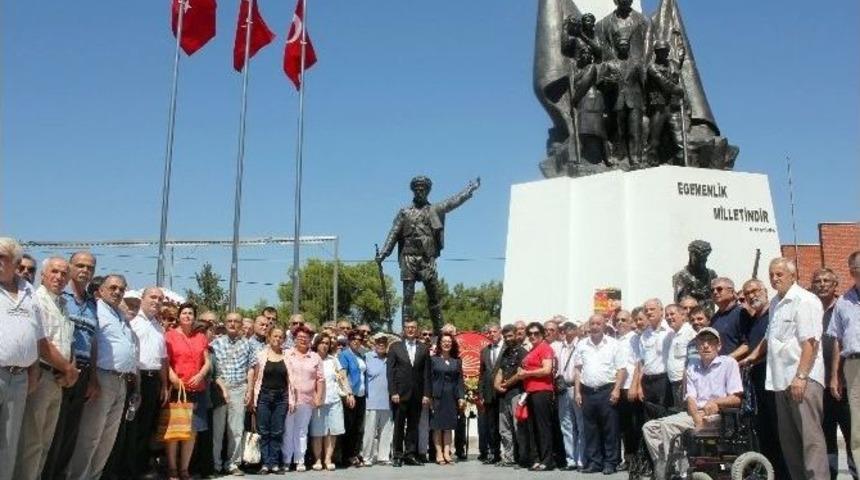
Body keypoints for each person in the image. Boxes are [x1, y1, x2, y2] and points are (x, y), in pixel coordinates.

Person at [744, 258, 829, 479]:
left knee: (811, 442)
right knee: (790, 444)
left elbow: (810, 342)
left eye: (780, 274)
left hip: (803, 380)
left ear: (793, 276)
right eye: (772, 275)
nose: (774, 279)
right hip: (780, 382)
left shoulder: (805, 300)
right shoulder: (775, 303)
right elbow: (770, 337)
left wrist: (801, 376)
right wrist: (752, 357)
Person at [375, 176, 480, 333]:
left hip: (427, 259)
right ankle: (406, 331)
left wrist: (469, 190)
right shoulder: (404, 213)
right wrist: (384, 253)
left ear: (428, 191)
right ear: (413, 191)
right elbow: (394, 233)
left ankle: (439, 331)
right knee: (408, 298)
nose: (420, 191)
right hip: (408, 257)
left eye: (423, 189)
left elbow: (453, 202)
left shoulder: (434, 210)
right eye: (417, 189)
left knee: (433, 296)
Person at [642, 327, 743, 480]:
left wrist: (716, 401)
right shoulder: (693, 366)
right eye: (702, 342)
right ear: (697, 347)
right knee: (649, 428)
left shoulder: (728, 363)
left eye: (711, 342)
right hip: (695, 413)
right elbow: (691, 398)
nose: (706, 346)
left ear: (719, 346)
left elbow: (736, 398)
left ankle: (677, 473)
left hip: (719, 414)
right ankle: (667, 466)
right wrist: (696, 419)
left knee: (667, 426)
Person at [66, 274, 137, 480]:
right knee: (90, 436)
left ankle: (94, 476)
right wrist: (93, 378)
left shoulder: (119, 315)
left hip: (121, 381)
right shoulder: (96, 310)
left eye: (121, 289)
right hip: (102, 378)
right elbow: (92, 344)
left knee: (108, 438)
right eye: (113, 288)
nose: (117, 292)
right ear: (101, 290)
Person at [12, 257, 73, 480]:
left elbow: (66, 340)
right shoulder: (36, 300)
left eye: (64, 273)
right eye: (54, 272)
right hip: (42, 376)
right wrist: (68, 369)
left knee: (45, 442)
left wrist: (69, 368)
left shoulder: (62, 304)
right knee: (31, 442)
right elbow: (43, 344)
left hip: (58, 379)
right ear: (43, 275)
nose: (59, 277)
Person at [43, 251, 98, 480]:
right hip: (60, 370)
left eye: (90, 267)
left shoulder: (93, 303)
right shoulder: (59, 295)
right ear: (71, 267)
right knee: (51, 432)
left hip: (83, 373)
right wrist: (68, 368)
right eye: (80, 265)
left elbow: (93, 342)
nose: (85, 270)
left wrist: (92, 377)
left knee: (70, 432)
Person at [813, 267, 857, 479]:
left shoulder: (844, 306)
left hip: (844, 382)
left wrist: (836, 375)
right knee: (826, 436)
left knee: (852, 433)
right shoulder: (810, 309)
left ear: (835, 284)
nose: (821, 284)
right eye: (817, 281)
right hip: (818, 385)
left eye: (826, 281)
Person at [162, 303, 211, 480]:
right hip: (178, 388)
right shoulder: (169, 336)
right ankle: (172, 468)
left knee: (192, 431)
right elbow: (165, 360)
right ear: (179, 316)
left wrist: (201, 374)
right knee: (175, 430)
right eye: (184, 313)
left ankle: (184, 469)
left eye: (191, 313)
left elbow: (207, 361)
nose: (187, 316)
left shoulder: (200, 337)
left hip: (197, 389)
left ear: (194, 317)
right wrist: (172, 377)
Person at [574, 313, 627, 474]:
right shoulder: (582, 345)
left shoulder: (613, 344)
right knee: (590, 429)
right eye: (592, 324)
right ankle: (594, 462)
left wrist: (617, 389)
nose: (595, 326)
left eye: (598, 323)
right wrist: (577, 392)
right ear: (589, 326)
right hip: (587, 392)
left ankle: (610, 462)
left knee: (610, 429)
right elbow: (578, 369)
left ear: (604, 325)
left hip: (607, 391)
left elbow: (621, 369)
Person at [125, 287, 169, 480]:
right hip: (136, 378)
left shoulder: (159, 327)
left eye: (160, 299)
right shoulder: (132, 321)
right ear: (142, 298)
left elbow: (163, 359)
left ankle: (141, 467)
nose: (156, 301)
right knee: (133, 425)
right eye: (152, 297)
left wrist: (165, 385)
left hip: (154, 381)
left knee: (148, 425)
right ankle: (127, 469)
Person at [210, 311, 256, 475]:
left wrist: (249, 390)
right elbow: (213, 370)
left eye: (236, 321)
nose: (232, 324)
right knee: (218, 429)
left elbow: (251, 368)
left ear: (241, 324)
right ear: (225, 322)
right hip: (220, 389)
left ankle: (233, 464)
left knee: (236, 430)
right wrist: (221, 386)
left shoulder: (248, 344)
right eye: (229, 321)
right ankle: (216, 464)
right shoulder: (216, 344)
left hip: (238, 388)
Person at [830, 252, 860, 473]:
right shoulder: (843, 302)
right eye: (855, 268)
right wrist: (835, 375)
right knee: (858, 426)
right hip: (854, 365)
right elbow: (837, 341)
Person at [387, 319, 431, 467]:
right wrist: (393, 391)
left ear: (417, 329)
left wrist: (426, 394)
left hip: (417, 394)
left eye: (413, 327)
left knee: (413, 425)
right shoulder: (395, 347)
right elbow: (390, 372)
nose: (411, 330)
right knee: (399, 425)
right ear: (404, 330)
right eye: (408, 327)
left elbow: (427, 373)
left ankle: (410, 454)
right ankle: (398, 455)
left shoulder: (424, 348)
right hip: (399, 394)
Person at [515, 322, 556, 471]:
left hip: (542, 391)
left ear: (542, 334)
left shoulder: (545, 348)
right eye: (530, 333)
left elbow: (547, 370)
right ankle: (537, 458)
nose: (532, 336)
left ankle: (547, 460)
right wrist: (522, 370)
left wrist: (527, 373)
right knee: (533, 428)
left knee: (543, 427)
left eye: (536, 333)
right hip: (530, 391)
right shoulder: (533, 349)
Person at [284, 326, 323, 471]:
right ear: (294, 339)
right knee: (288, 430)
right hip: (289, 399)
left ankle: (300, 460)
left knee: (302, 430)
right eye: (300, 337)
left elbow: (320, 379)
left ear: (310, 340)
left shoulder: (315, 357)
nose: (303, 340)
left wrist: (319, 397)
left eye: (306, 338)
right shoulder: (287, 354)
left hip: (307, 400)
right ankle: (287, 459)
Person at [251, 326, 289, 474]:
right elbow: (255, 378)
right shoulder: (261, 355)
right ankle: (265, 463)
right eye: (275, 336)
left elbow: (290, 379)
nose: (277, 339)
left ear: (283, 340)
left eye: (280, 337)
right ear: (269, 337)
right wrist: (253, 398)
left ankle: (274, 463)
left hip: (281, 397)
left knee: (277, 431)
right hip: (264, 396)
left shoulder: (287, 356)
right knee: (264, 430)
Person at [309, 333, 349, 471]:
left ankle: (328, 459)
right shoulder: (311, 358)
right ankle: (318, 459)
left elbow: (342, 378)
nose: (325, 345)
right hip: (317, 401)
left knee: (333, 432)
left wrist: (349, 393)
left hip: (334, 400)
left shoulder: (334, 360)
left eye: (327, 343)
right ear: (316, 344)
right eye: (322, 342)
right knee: (318, 432)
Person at [645, 40, 685, 165]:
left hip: (673, 105)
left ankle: (681, 163)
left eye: (665, 51)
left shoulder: (673, 64)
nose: (663, 54)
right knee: (654, 139)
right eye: (660, 51)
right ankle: (651, 161)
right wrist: (677, 89)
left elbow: (676, 77)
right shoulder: (652, 67)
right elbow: (664, 83)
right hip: (659, 105)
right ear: (656, 53)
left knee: (680, 140)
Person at [428, 332, 465, 465]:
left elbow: (460, 380)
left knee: (448, 426)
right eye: (444, 341)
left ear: (452, 344)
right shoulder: (433, 360)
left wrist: (461, 397)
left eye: (449, 341)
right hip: (437, 396)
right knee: (437, 426)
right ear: (439, 344)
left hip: (452, 397)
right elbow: (428, 379)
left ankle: (447, 452)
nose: (446, 343)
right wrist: (428, 396)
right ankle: (438, 453)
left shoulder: (457, 361)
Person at [494, 324, 528, 467]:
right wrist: (496, 384)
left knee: (518, 427)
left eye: (510, 336)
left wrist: (505, 385)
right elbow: (500, 371)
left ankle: (523, 459)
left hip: (517, 393)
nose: (508, 339)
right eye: (505, 336)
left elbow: (520, 374)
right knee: (504, 429)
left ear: (516, 335)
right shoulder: (505, 352)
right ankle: (509, 458)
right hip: (503, 396)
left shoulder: (522, 352)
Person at [633, 299, 672, 419]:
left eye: (652, 309)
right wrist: (639, 386)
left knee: (664, 417)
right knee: (649, 419)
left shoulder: (670, 331)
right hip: (647, 382)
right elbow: (642, 363)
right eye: (646, 310)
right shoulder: (645, 335)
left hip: (664, 381)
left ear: (661, 311)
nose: (649, 312)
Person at [362, 335, 395, 466]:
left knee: (386, 431)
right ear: (374, 344)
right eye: (379, 342)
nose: (381, 345)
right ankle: (367, 457)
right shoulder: (367, 357)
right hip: (371, 401)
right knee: (369, 432)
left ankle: (383, 456)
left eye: (384, 342)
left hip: (387, 401)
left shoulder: (390, 358)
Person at [554, 320, 583, 470]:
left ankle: (581, 459)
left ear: (577, 330)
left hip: (577, 387)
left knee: (580, 424)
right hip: (563, 388)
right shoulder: (559, 346)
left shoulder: (582, 345)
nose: (568, 330)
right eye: (565, 328)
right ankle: (571, 459)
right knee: (566, 425)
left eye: (571, 328)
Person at [338, 330, 368, 467]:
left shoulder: (361, 355)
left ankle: (354, 454)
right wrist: (349, 393)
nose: (357, 341)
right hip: (351, 395)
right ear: (349, 340)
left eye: (359, 339)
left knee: (358, 427)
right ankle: (347, 456)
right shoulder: (344, 354)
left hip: (361, 395)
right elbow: (343, 375)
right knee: (349, 426)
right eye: (354, 339)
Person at [616, 309, 640, 470]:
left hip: (631, 386)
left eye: (624, 320)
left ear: (631, 322)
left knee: (634, 425)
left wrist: (634, 386)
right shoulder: (616, 340)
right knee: (624, 426)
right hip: (620, 388)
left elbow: (638, 364)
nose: (620, 323)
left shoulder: (635, 339)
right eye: (617, 320)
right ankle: (629, 459)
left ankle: (637, 460)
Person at [478, 323, 503, 464]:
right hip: (488, 393)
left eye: (494, 331)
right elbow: (481, 374)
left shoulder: (506, 349)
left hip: (503, 392)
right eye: (489, 332)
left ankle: (509, 454)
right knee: (491, 425)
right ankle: (494, 454)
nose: (492, 334)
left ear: (500, 332)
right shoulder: (484, 351)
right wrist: (480, 394)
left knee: (504, 425)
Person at [709, 277, 749, 359]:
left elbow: (748, 344)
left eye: (719, 289)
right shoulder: (714, 318)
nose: (715, 292)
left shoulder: (741, 313)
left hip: (736, 367)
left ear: (731, 292)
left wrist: (727, 359)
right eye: (712, 290)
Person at [664, 304, 695, 408]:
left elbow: (694, 360)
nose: (669, 317)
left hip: (684, 383)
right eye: (666, 315)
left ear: (683, 315)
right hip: (674, 382)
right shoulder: (671, 335)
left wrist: (686, 382)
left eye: (672, 314)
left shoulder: (689, 333)